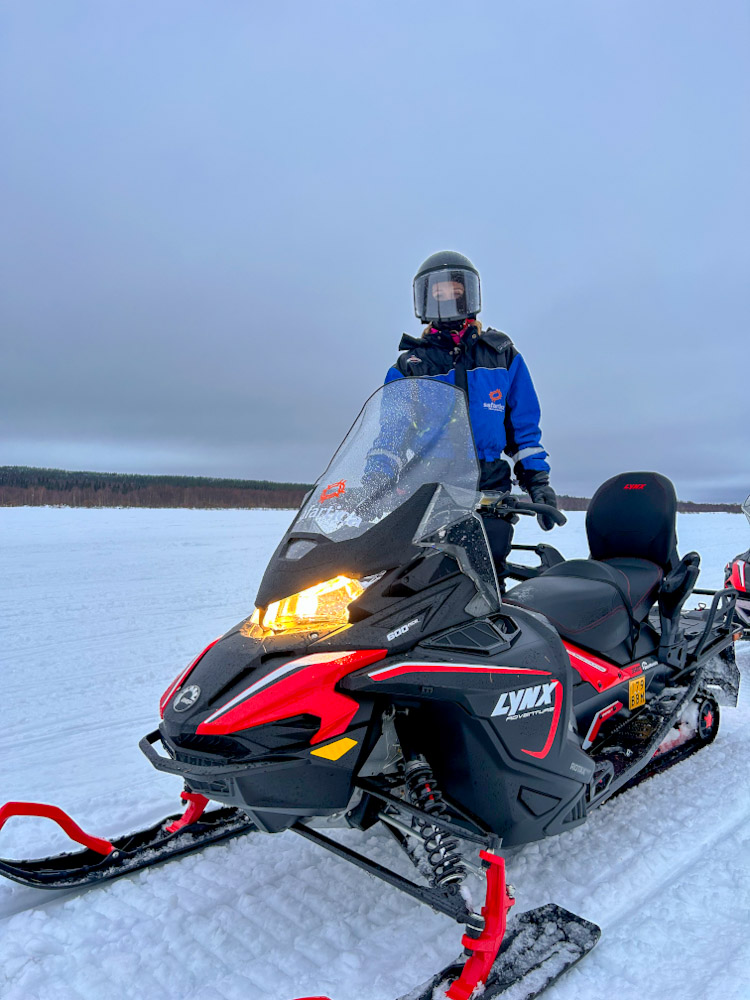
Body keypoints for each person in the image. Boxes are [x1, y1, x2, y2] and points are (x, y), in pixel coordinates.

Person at [372, 249, 558, 584]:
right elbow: (391, 434)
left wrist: (538, 481)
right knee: (419, 579)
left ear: (469, 294)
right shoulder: (409, 367)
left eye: (455, 291)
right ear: (424, 300)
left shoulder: (502, 357)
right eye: (438, 293)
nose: (447, 299)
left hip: (487, 492)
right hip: (428, 488)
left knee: (483, 573)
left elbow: (523, 431)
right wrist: (374, 480)